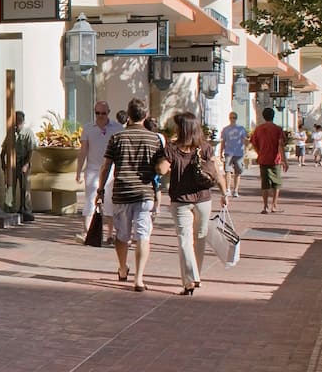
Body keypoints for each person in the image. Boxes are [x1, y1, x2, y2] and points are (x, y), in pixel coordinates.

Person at [94, 97, 166, 292]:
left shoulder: (117, 138)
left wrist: (100, 190)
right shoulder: (154, 139)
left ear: (129, 115)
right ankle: (139, 278)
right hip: (145, 192)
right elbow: (162, 168)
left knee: (122, 235)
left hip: (122, 191)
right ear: (145, 116)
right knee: (143, 235)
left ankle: (123, 267)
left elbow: (106, 166)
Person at [163, 111, 229, 295]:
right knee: (199, 238)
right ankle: (195, 276)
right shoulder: (206, 148)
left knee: (185, 239)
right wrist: (225, 192)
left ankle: (191, 279)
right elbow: (216, 171)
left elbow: (161, 169)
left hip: (180, 200)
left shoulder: (172, 149)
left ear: (181, 128)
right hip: (203, 199)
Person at [77, 101, 123, 241]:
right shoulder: (88, 128)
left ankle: (109, 234)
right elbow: (83, 150)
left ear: (108, 112)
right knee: (90, 200)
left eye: (103, 113)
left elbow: (121, 151)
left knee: (110, 201)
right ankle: (87, 233)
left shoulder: (117, 128)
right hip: (92, 169)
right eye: (97, 113)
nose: (100, 116)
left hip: (111, 170)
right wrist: (78, 170)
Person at [249, 107, 289, 214]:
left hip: (263, 159)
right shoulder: (277, 129)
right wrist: (284, 160)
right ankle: (274, 205)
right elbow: (280, 145)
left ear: (263, 116)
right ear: (273, 116)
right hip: (275, 159)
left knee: (265, 183)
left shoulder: (258, 129)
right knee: (276, 183)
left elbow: (253, 143)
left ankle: (265, 206)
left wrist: (259, 153)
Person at [2, 111, 38, 222]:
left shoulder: (28, 133)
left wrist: (26, 164)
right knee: (10, 187)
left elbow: (31, 150)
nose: (18, 124)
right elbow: (4, 149)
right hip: (12, 164)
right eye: (16, 121)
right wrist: (3, 163)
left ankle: (26, 210)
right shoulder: (11, 133)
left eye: (19, 121)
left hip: (23, 162)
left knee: (25, 188)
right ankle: (8, 207)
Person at [219, 112, 248, 198]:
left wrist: (245, 151)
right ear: (229, 118)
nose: (233, 119)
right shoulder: (225, 129)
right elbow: (223, 141)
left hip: (239, 153)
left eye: (234, 117)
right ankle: (228, 189)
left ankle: (235, 190)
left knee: (238, 172)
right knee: (228, 171)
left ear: (236, 118)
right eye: (231, 117)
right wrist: (221, 152)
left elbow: (244, 140)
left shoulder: (241, 129)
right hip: (228, 152)